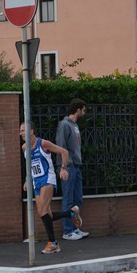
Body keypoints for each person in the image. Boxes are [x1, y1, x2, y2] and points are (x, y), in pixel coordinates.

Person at [20, 121, 82, 254]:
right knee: (44, 213)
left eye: (23, 130)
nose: (21, 133)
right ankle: (71, 213)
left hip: (47, 179)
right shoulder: (25, 147)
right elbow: (29, 165)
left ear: (31, 131)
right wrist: (27, 179)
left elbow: (64, 152)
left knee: (43, 211)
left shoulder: (43, 144)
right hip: (36, 182)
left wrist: (63, 169)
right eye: (20, 131)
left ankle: (53, 243)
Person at [56, 98, 90, 240]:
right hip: (68, 167)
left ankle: (75, 228)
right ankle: (67, 231)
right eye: (83, 110)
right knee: (68, 199)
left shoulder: (74, 125)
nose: (84, 113)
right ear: (78, 109)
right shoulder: (64, 125)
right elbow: (61, 145)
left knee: (77, 199)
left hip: (76, 166)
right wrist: (63, 167)